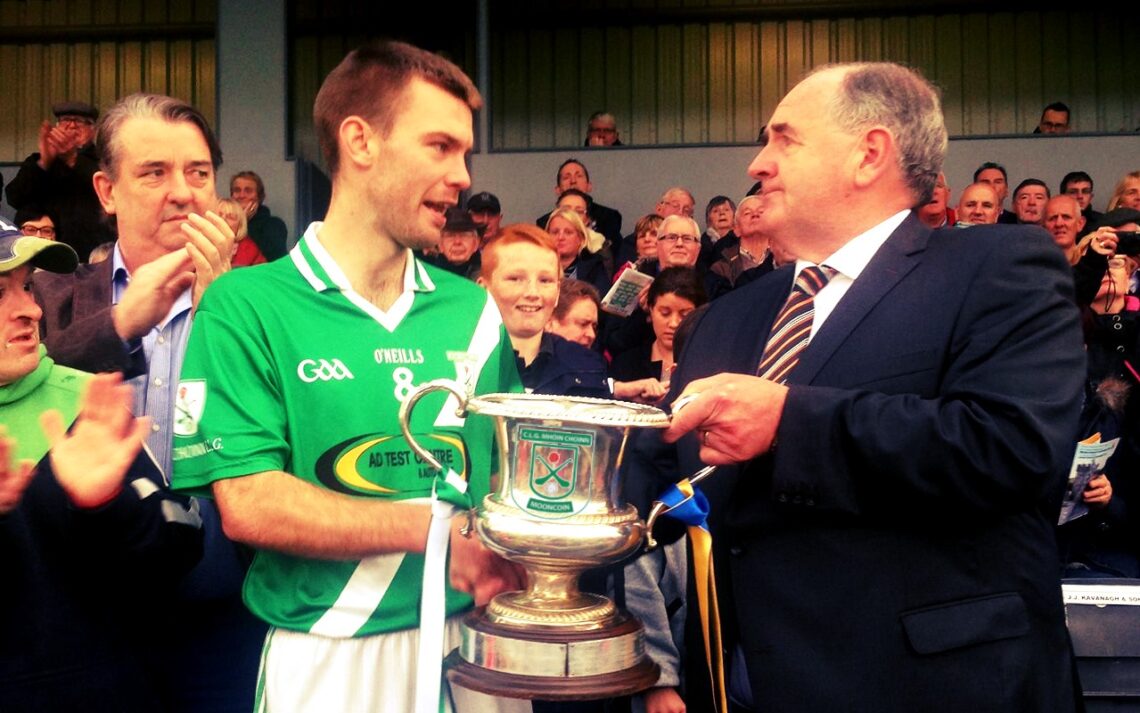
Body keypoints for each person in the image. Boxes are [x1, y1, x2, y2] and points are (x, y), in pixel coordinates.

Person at [628, 61, 1085, 712]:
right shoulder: (723, 319)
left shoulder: (997, 269)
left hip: (931, 690)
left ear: (869, 154)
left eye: (784, 139)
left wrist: (788, 422)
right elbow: (671, 476)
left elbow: (1012, 447)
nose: (758, 163)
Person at [170, 41, 529, 713]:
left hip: (476, 644)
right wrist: (433, 533)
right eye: (440, 146)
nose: (461, 176)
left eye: (464, 153)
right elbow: (250, 502)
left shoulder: (475, 310)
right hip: (331, 650)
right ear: (360, 140)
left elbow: (506, 479)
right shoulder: (246, 304)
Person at [32, 92, 263, 713]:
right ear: (107, 191)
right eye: (154, 173)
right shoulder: (51, 294)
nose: (183, 193)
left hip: (224, 613)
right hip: (87, 616)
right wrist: (121, 325)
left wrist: (224, 317)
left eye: (198, 173)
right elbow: (28, 381)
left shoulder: (263, 307)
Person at [0, 226, 202, 711]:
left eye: (27, 286)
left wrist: (111, 506)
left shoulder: (89, 402)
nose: (31, 310)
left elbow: (181, 549)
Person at [478, 224, 609, 399]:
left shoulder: (587, 365)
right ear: (484, 289)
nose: (532, 293)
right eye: (515, 279)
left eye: (545, 280)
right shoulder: (457, 359)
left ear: (557, 292)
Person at [5, 101, 115, 260]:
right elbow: (14, 197)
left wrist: (72, 159)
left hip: (93, 253)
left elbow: (111, 191)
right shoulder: (38, 162)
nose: (72, 126)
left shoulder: (104, 160)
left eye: (80, 122)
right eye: (66, 120)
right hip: (45, 254)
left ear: (93, 130)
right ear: (55, 128)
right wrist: (44, 163)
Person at [535, 158, 623, 248]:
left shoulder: (609, 217)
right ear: (557, 190)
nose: (573, 181)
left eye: (579, 176)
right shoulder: (544, 223)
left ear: (589, 186)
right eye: (566, 177)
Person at [428, 206, 483, 280]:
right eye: (450, 235)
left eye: (464, 235)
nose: (457, 242)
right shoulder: (427, 277)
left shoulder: (488, 278)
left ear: (476, 243)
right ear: (439, 244)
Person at [217, 197, 266, 267]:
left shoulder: (250, 249)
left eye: (230, 217)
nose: (223, 219)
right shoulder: (201, 243)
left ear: (240, 225)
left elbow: (261, 272)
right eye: (219, 215)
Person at [1043, 194, 1087, 264]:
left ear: (1080, 224)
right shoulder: (1032, 266)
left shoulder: (1097, 266)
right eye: (1053, 218)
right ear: (1043, 226)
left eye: (1066, 217)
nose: (1059, 224)